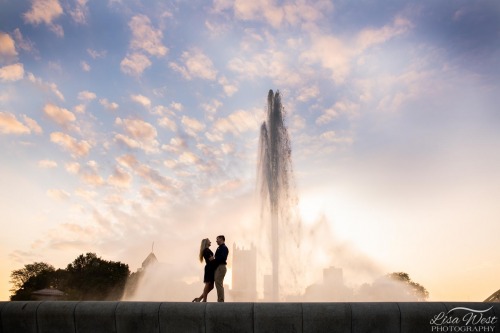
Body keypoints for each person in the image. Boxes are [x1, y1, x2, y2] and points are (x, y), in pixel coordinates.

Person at [192, 238, 215, 302]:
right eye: (209, 241)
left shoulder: (207, 250)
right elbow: (211, 259)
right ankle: (204, 300)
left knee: (211, 286)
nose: (210, 241)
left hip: (211, 268)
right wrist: (216, 258)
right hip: (209, 268)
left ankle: (199, 299)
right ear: (206, 243)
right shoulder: (206, 250)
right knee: (208, 284)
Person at [213, 235, 229, 302]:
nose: (216, 241)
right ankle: (220, 300)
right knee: (218, 283)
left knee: (218, 283)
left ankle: (220, 300)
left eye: (217, 239)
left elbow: (222, 258)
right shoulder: (220, 248)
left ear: (222, 239)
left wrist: (214, 259)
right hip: (219, 267)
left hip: (221, 267)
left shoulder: (224, 248)